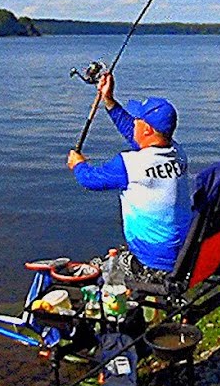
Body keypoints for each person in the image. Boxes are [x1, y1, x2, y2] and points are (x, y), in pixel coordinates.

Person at [67, 73, 191, 276]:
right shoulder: (178, 153)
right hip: (183, 254)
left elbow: (89, 180)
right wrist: (109, 100)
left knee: (93, 271)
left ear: (148, 129)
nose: (133, 122)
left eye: (138, 120)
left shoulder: (130, 164)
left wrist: (78, 164)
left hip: (151, 260)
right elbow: (134, 135)